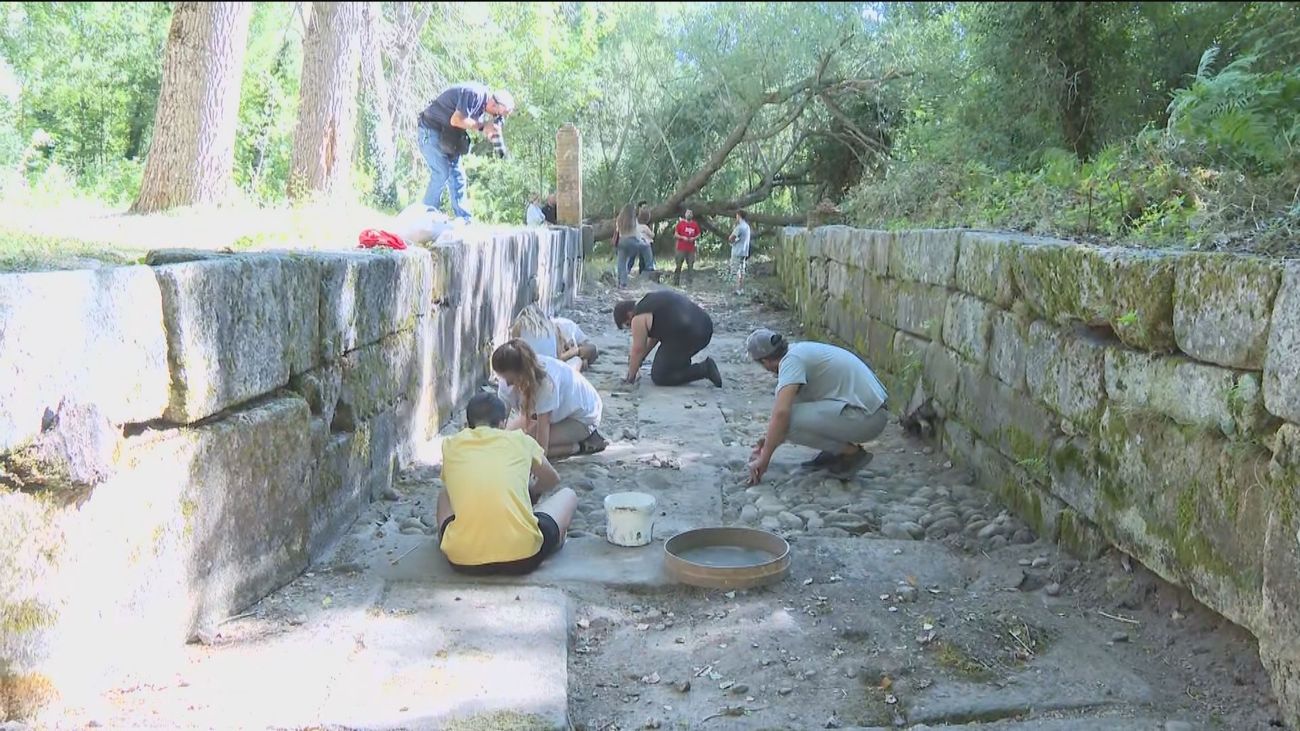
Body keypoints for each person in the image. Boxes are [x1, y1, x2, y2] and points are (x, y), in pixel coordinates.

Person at [436, 393, 578, 576]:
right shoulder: (521, 440)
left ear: (467, 424)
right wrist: (532, 491)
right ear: (503, 424)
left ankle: (449, 539)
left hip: (462, 560)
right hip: (524, 557)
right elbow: (552, 479)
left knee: (444, 494)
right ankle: (556, 539)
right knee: (569, 495)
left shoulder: (451, 445)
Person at [743, 328, 889, 485]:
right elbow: (788, 409)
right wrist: (767, 443)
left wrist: (764, 460)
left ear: (765, 362)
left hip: (868, 418)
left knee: (788, 421)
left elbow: (781, 414)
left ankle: (850, 454)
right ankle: (835, 453)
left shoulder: (791, 362)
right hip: (870, 412)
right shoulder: (797, 352)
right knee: (792, 411)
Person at [492, 339, 608, 458]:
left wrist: (538, 465)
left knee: (526, 444)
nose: (506, 384)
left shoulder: (545, 383)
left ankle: (581, 446)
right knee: (509, 439)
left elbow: (542, 439)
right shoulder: (507, 379)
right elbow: (500, 421)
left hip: (581, 417)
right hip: (547, 414)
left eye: (511, 380)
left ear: (522, 374)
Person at [417, 82, 515, 222]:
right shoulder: (474, 94)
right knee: (441, 173)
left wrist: (495, 139)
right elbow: (456, 120)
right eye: (501, 114)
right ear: (495, 104)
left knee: (458, 176)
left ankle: (464, 220)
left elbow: (474, 124)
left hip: (448, 135)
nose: (499, 117)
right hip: (430, 130)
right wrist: (482, 127)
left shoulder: (481, 107)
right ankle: (425, 218)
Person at [614, 290, 723, 388]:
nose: (631, 328)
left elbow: (638, 349)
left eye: (628, 325)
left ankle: (704, 369)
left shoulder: (638, 317)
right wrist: (640, 361)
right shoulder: (650, 302)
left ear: (629, 314)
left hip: (687, 333)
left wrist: (630, 379)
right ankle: (681, 366)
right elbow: (653, 339)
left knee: (660, 375)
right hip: (704, 328)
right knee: (668, 358)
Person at [510, 305, 599, 372]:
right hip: (544, 371)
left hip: (528, 370)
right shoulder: (555, 326)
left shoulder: (518, 328)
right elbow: (556, 359)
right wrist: (574, 352)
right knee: (576, 361)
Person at [613, 203, 642, 288]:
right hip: (633, 242)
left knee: (621, 263)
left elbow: (618, 231)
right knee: (645, 248)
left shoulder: (619, 219)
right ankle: (648, 267)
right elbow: (638, 233)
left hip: (622, 241)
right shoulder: (634, 220)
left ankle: (622, 282)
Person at [672, 209, 701, 287]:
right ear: (685, 214)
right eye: (687, 213)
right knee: (678, 265)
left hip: (691, 249)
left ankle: (690, 283)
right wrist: (683, 237)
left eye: (690, 213)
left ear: (692, 215)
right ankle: (676, 282)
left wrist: (694, 238)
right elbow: (676, 234)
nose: (689, 214)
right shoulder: (680, 224)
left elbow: (698, 234)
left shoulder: (695, 224)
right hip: (681, 248)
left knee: (690, 266)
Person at [728, 210, 752, 295]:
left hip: (737, 251)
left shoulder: (739, 227)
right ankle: (741, 289)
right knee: (742, 270)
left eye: (736, 216)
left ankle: (736, 289)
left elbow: (731, 238)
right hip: (744, 251)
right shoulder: (747, 227)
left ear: (739, 216)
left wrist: (732, 241)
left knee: (736, 271)